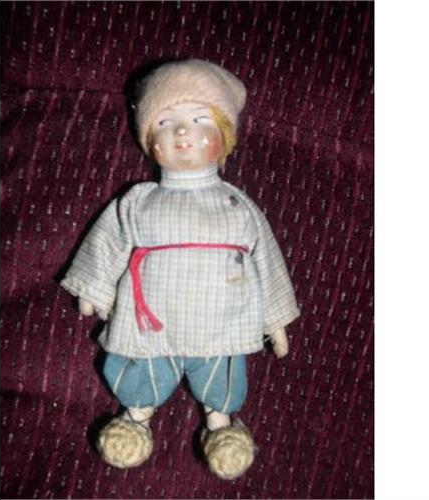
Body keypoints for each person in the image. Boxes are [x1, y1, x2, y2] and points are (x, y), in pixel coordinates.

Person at [61, 59, 300, 479]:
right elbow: (110, 239)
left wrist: (275, 317)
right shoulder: (139, 201)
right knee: (144, 366)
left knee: (221, 370)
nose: (183, 132)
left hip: (222, 318)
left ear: (225, 137)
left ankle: (220, 425)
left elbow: (266, 256)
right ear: (149, 141)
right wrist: (95, 287)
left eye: (199, 120)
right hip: (152, 318)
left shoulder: (237, 205)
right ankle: (135, 416)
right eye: (165, 122)